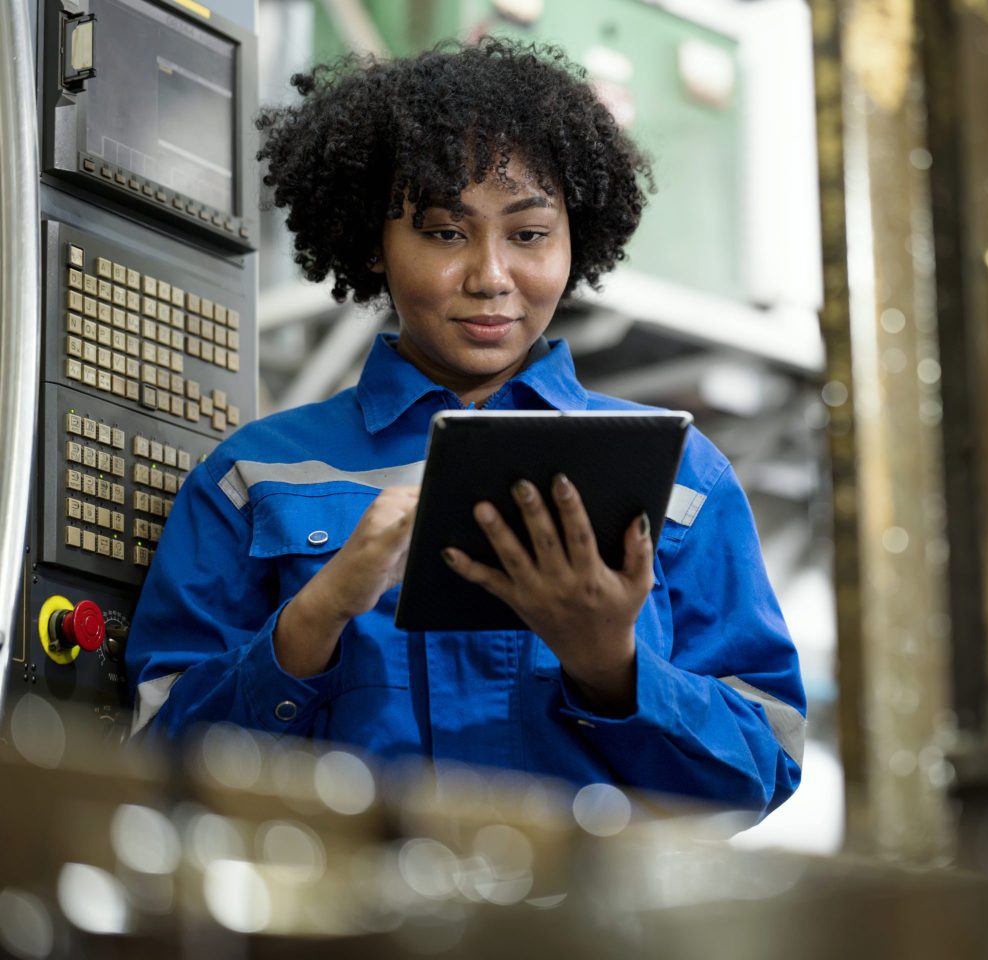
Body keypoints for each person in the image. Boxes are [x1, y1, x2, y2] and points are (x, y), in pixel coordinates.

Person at [125, 39, 805, 817]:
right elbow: (152, 769)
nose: (490, 277)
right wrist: (317, 614)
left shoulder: (682, 476)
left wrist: (611, 664)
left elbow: (763, 767)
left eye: (529, 233)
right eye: (446, 232)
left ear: (576, 236)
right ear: (374, 245)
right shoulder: (252, 478)